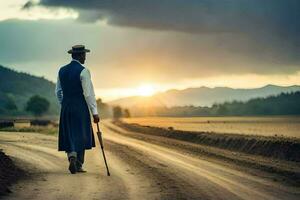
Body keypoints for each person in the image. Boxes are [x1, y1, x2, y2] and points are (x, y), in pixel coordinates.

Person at [55, 45, 100, 174]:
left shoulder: (61, 70)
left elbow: (58, 91)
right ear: (80, 55)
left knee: (69, 133)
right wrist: (95, 113)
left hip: (66, 106)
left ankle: (71, 157)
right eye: (84, 55)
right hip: (80, 107)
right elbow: (88, 94)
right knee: (81, 134)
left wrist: (63, 103)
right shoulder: (84, 71)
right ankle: (79, 164)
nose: (85, 57)